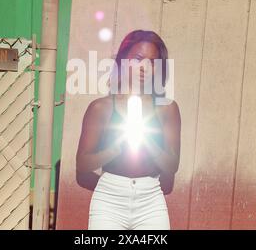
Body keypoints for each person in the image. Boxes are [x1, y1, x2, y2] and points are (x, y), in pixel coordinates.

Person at [76, 30, 181, 230]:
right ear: (124, 61)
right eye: (138, 59)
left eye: (152, 62)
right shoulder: (101, 107)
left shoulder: (168, 108)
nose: (144, 68)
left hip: (150, 199)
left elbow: (172, 165)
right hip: (109, 199)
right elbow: (82, 164)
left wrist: (146, 141)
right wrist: (116, 148)